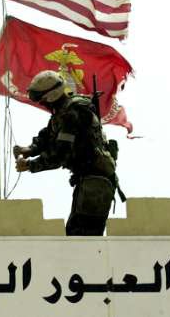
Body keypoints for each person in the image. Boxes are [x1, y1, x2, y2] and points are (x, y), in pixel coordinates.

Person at [14, 70, 124, 236]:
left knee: (82, 237)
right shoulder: (63, 113)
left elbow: (59, 155)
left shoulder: (73, 114)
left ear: (50, 97)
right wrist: (30, 149)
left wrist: (30, 165)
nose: (42, 104)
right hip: (88, 182)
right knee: (76, 236)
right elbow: (48, 136)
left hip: (95, 184)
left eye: (42, 100)